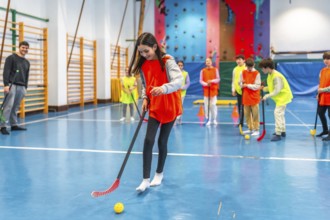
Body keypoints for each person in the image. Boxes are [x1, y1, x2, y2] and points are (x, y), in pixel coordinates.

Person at [129, 32, 183, 192]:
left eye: (146, 51)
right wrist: (145, 97)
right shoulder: (144, 65)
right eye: (140, 52)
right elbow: (147, 85)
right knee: (148, 141)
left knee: (162, 141)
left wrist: (164, 88)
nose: (144, 55)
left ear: (154, 47)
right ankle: (145, 179)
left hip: (170, 105)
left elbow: (179, 80)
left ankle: (159, 173)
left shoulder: (167, 61)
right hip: (155, 106)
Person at [259, 58, 293, 141]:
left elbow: (276, 91)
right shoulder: (270, 75)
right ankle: (282, 131)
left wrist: (266, 96)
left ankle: (278, 134)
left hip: (283, 97)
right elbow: (272, 87)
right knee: (280, 114)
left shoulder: (276, 76)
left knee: (277, 113)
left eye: (263, 68)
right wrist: (264, 88)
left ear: (267, 67)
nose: (262, 70)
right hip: (280, 98)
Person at [1, 41, 30, 135]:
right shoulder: (11, 58)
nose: (24, 49)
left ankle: (14, 125)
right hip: (11, 85)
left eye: (26, 48)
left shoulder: (27, 62)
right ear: (19, 47)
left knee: (15, 107)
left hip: (21, 87)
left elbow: (26, 75)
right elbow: (6, 71)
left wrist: (25, 87)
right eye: (23, 47)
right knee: (8, 106)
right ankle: (3, 126)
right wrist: (6, 85)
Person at [240, 58, 261, 136]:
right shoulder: (243, 72)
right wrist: (241, 85)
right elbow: (240, 82)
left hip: (254, 96)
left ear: (253, 65)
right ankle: (250, 128)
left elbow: (257, 86)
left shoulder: (257, 73)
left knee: (255, 114)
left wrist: (247, 85)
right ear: (246, 66)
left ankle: (256, 129)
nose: (249, 69)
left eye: (251, 67)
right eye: (248, 67)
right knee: (247, 114)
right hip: (246, 96)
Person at [199, 57, 220, 126]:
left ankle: (214, 119)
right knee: (207, 106)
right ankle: (208, 119)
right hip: (206, 90)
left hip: (213, 90)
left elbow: (218, 79)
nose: (208, 62)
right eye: (206, 61)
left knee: (213, 105)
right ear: (205, 63)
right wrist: (206, 84)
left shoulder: (215, 70)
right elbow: (200, 80)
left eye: (209, 61)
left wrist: (212, 81)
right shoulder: (203, 71)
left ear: (211, 62)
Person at [316, 52, 330, 141]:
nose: (326, 60)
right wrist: (318, 94)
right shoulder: (322, 71)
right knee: (320, 112)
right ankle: (325, 130)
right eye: (324, 59)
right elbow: (320, 83)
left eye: (328, 59)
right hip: (323, 97)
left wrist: (323, 90)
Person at [231, 54, 246, 126]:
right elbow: (234, 80)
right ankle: (241, 122)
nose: (238, 61)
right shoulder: (235, 69)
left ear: (244, 60)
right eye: (237, 59)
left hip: (246, 91)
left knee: (247, 108)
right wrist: (233, 89)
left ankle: (251, 123)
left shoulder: (246, 68)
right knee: (240, 107)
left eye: (240, 59)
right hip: (238, 91)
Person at [175, 60, 190, 125]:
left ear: (183, 66)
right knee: (175, 106)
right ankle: (175, 120)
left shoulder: (185, 73)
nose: (180, 67)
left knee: (180, 106)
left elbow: (188, 83)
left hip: (182, 93)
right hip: (175, 92)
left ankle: (179, 119)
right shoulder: (174, 73)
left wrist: (182, 87)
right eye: (179, 65)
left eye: (181, 65)